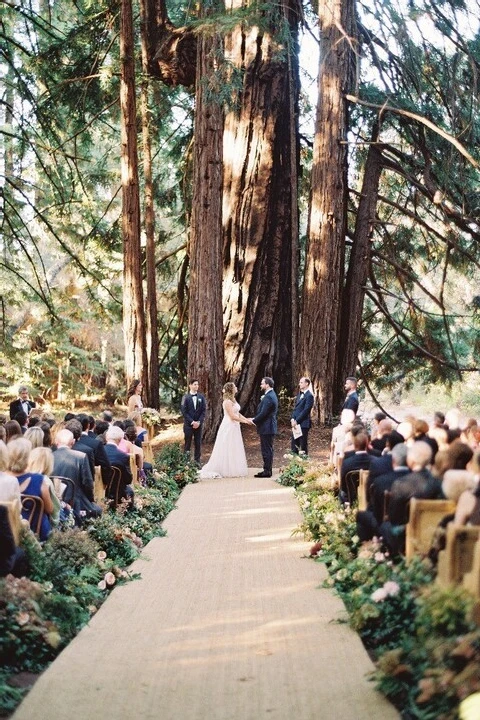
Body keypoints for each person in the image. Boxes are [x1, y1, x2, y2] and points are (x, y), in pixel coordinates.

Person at [199, 383, 249, 479]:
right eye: (235, 387)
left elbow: (237, 413)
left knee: (234, 446)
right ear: (231, 389)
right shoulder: (227, 402)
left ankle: (234, 467)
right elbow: (232, 416)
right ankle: (225, 469)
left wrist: (246, 419)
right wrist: (244, 422)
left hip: (235, 426)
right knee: (227, 445)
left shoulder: (233, 400)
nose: (236, 388)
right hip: (229, 425)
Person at [10, 437, 54, 541]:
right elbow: (49, 509)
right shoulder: (38, 480)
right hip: (35, 531)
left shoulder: (3, 478)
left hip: (8, 529)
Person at [250, 377, 278, 478]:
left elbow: (263, 413)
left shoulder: (269, 397)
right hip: (268, 426)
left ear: (267, 385)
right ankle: (267, 469)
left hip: (267, 427)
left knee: (267, 449)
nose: (261, 385)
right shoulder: (270, 395)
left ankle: (267, 471)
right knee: (268, 449)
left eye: (262, 384)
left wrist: (253, 420)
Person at [181, 380, 206, 465]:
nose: (197, 386)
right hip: (188, 425)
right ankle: (186, 463)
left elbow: (203, 411)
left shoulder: (201, 397)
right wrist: (192, 422)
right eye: (195, 384)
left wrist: (199, 421)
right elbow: (184, 411)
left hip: (199, 424)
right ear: (190, 386)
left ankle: (197, 462)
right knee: (187, 443)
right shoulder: (185, 397)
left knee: (198, 443)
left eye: (197, 384)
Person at [290, 377, 314, 455]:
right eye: (299, 382)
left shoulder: (309, 395)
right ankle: (294, 464)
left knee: (302, 445)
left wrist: (297, 421)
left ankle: (303, 464)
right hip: (295, 424)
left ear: (306, 383)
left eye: (301, 382)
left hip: (303, 423)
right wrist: (293, 418)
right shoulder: (299, 394)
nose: (299, 384)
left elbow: (306, 410)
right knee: (294, 444)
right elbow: (296, 408)